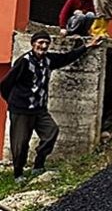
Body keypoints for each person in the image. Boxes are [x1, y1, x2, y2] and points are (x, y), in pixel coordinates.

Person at [0, 31, 103, 183]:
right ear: (33, 43)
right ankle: (18, 174)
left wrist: (88, 46)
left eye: (46, 43)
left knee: (51, 132)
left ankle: (38, 164)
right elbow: (5, 84)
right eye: (40, 42)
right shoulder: (24, 62)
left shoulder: (49, 60)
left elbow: (67, 57)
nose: (43, 46)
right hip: (21, 110)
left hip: (39, 110)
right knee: (20, 143)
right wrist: (13, 102)